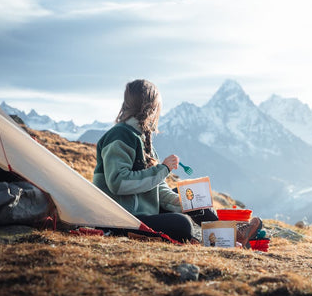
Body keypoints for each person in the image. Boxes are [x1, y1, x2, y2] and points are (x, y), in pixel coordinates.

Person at [93, 79, 261, 245]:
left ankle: (230, 235)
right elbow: (118, 182)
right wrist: (163, 168)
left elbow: (156, 188)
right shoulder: (120, 136)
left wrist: (187, 205)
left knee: (193, 197)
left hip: (143, 213)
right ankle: (221, 238)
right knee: (182, 224)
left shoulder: (142, 138)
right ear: (151, 107)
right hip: (121, 220)